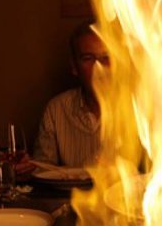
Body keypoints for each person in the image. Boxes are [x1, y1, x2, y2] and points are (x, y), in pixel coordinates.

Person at [33, 20, 109, 167]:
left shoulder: (139, 110)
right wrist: (26, 171)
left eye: (106, 58)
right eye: (88, 58)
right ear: (74, 67)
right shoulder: (56, 110)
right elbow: (42, 170)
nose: (99, 67)